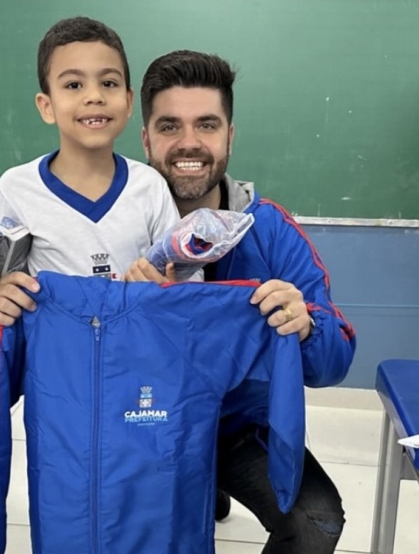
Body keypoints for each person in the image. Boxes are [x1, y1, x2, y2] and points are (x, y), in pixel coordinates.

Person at [120, 50, 356, 553]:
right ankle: (207, 490)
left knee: (316, 523)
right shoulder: (116, 227)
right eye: (169, 126)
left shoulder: (268, 230)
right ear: (145, 138)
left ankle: (216, 481)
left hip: (237, 427)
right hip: (141, 424)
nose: (189, 143)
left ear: (230, 134)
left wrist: (307, 326)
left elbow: (335, 360)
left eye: (206, 125)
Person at [0, 16, 180, 324]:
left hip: (135, 358)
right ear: (46, 106)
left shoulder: (150, 186)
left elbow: (184, 277)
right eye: (73, 85)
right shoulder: (17, 187)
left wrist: (168, 286)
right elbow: (11, 285)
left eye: (109, 83)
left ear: (129, 101)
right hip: (58, 361)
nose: (94, 96)